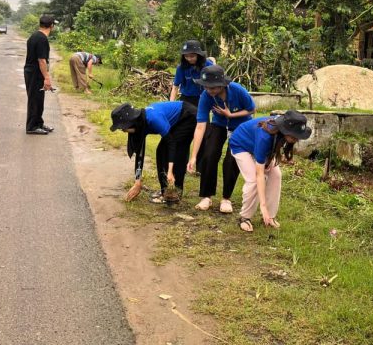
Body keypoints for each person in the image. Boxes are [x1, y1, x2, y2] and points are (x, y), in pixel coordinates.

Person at [187, 64, 255, 214]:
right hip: (218, 124)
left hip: (240, 126)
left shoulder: (237, 90)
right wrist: (193, 156)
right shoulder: (206, 96)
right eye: (206, 87)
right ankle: (206, 196)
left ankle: (226, 198)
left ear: (222, 84)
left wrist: (231, 115)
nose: (209, 90)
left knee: (231, 159)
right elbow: (200, 125)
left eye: (213, 87)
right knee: (209, 154)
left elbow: (251, 109)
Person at [228, 111, 312, 232]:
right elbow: (259, 174)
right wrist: (262, 206)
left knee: (276, 175)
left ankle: (269, 216)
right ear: (285, 129)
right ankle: (244, 217)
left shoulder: (282, 129)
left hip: (257, 145)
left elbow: (273, 148)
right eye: (293, 136)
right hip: (241, 144)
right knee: (253, 180)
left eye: (297, 136)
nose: (295, 139)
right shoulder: (265, 136)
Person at [110, 101, 197, 205]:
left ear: (130, 122)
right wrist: (137, 182)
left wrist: (169, 172)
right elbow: (140, 153)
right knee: (161, 151)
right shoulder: (140, 124)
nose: (123, 130)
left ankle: (174, 194)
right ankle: (165, 191)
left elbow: (171, 143)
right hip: (178, 119)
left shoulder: (153, 118)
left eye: (122, 127)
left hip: (187, 116)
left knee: (173, 150)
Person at [24, 14, 56, 135]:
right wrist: (47, 78)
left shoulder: (35, 36)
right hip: (34, 73)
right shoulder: (41, 39)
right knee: (34, 100)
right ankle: (32, 126)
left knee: (39, 99)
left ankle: (39, 123)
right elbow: (41, 60)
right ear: (51, 26)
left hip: (33, 71)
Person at [169, 40, 213, 106]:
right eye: (186, 56)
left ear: (198, 55)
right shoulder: (181, 67)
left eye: (192, 56)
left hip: (203, 96)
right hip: (186, 98)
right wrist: (171, 104)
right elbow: (175, 87)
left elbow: (215, 81)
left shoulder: (207, 64)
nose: (189, 59)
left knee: (200, 115)